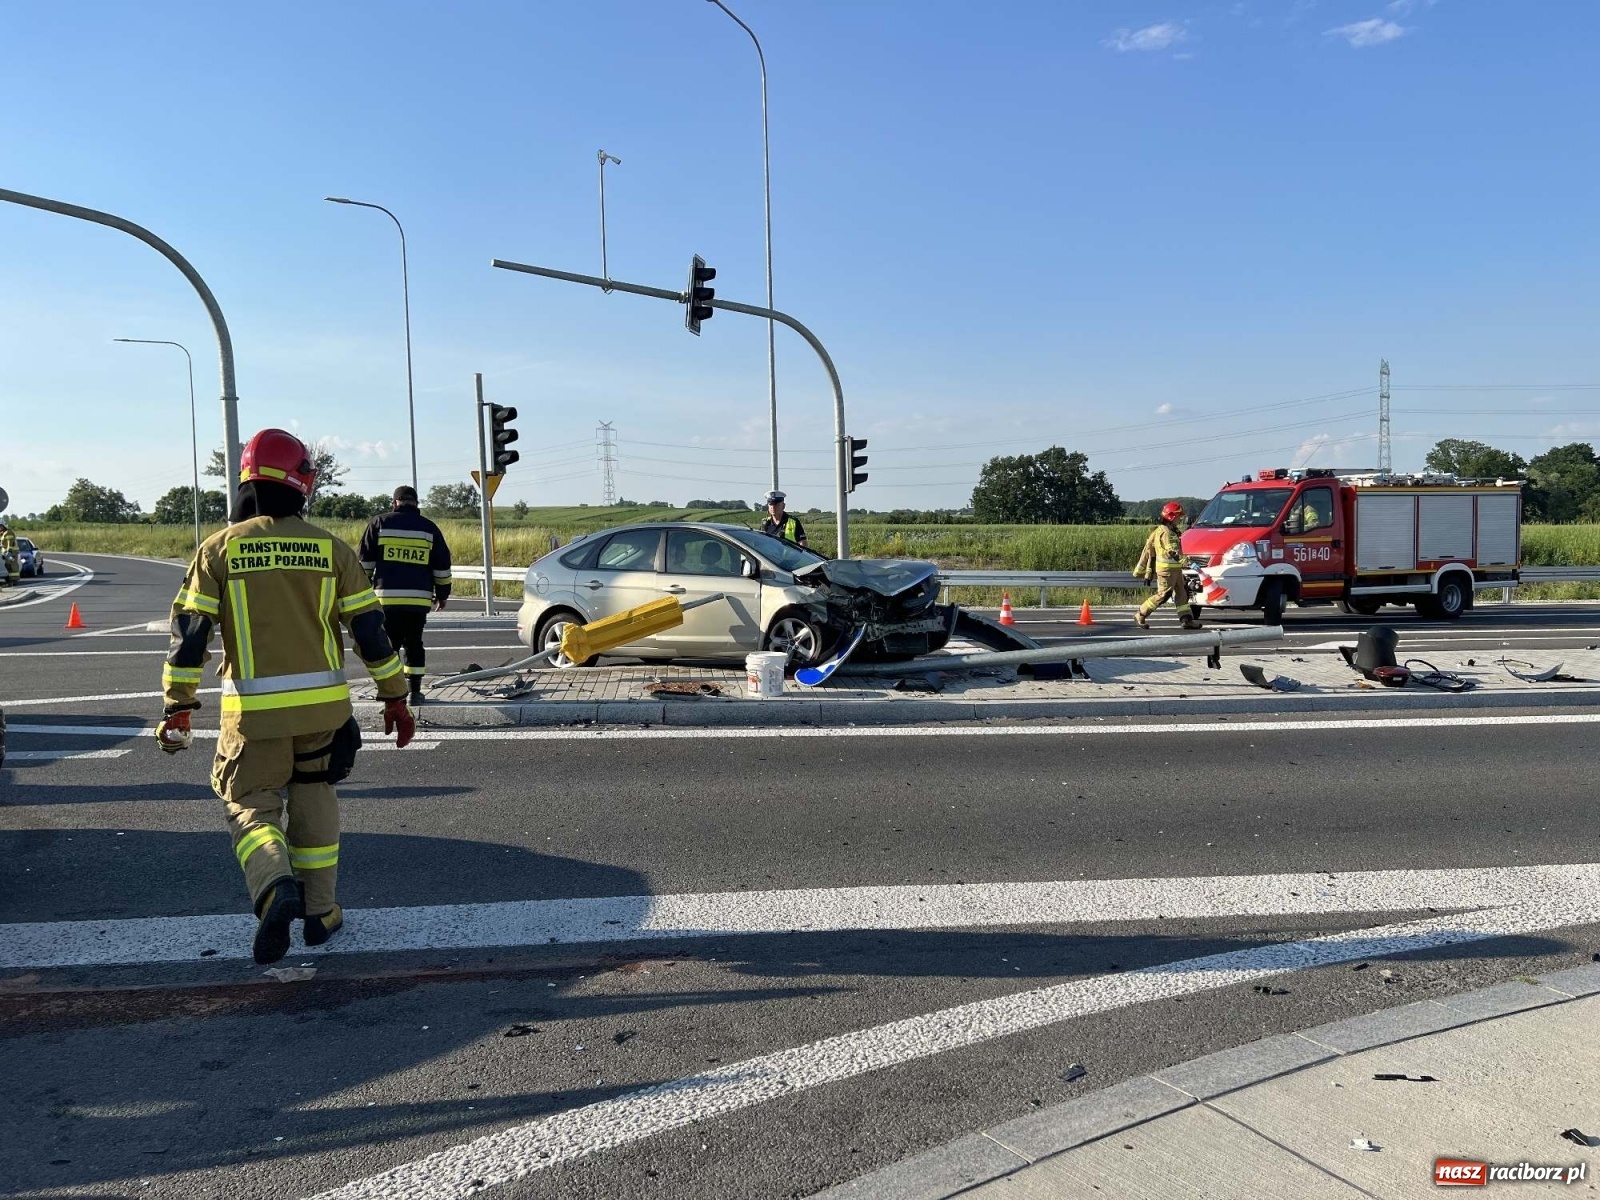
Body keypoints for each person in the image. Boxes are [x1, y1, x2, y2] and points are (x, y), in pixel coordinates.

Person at [155, 429, 415, 965]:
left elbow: (191, 637)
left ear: (247, 479)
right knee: (315, 793)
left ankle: (276, 886)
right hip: (323, 713)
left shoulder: (219, 549)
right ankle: (321, 913)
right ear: (303, 483)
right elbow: (372, 634)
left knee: (250, 805)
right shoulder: (332, 549)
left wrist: (178, 705)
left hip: (253, 718)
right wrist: (395, 697)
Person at [358, 485, 453, 704]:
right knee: (414, 644)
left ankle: (392, 693)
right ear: (416, 504)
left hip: (385, 601)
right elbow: (442, 567)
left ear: (395, 502)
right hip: (417, 602)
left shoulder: (379, 523)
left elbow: (364, 564)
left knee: (389, 647)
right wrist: (443, 594)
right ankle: (415, 693)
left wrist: (363, 592)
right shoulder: (429, 528)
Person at [1134, 501, 1198, 630]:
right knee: (1163, 595)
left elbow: (1149, 551)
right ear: (1171, 517)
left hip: (1174, 570)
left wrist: (1148, 571)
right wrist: (1188, 563)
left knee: (1182, 593)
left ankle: (1186, 620)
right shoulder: (1167, 533)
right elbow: (1173, 552)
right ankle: (1141, 613)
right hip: (1167, 571)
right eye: (1178, 516)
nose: (1180, 519)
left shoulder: (1163, 530)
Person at [0, 520, 18, 587]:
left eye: (0, 526)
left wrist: (9, 552)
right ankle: (12, 581)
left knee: (12, 566)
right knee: (8, 565)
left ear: (4, 526)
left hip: (11, 553)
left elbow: (9, 544)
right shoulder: (3, 533)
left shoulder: (8, 532)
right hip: (7, 552)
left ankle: (14, 581)